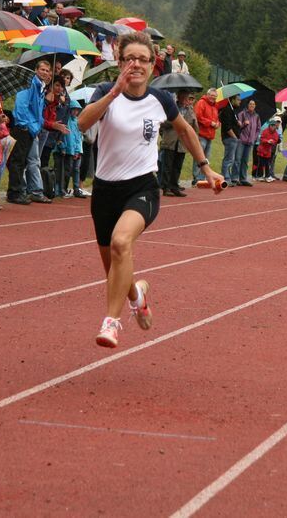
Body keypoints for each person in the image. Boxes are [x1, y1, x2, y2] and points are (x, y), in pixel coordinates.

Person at [78, 31, 221, 348]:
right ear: (120, 60)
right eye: (131, 59)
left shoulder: (161, 100)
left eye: (143, 59)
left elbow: (185, 131)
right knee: (114, 267)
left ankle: (111, 322)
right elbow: (83, 123)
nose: (137, 65)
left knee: (120, 242)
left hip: (142, 187)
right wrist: (114, 92)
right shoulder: (105, 92)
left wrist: (206, 168)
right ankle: (136, 296)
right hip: (104, 191)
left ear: (153, 65)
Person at [6, 60, 51, 205]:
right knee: (17, 161)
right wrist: (26, 125)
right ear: (36, 70)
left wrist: (36, 127)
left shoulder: (41, 87)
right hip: (23, 128)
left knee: (23, 161)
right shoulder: (30, 83)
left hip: (31, 129)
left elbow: (37, 110)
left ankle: (18, 191)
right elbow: (21, 105)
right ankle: (14, 193)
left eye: (47, 70)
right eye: (42, 69)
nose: (44, 72)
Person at [159, 91, 197, 197]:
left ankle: (174, 187)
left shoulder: (190, 110)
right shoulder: (171, 107)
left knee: (177, 166)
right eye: (184, 98)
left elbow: (193, 125)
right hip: (170, 141)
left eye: (188, 98)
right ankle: (165, 188)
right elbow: (163, 123)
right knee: (167, 166)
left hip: (182, 143)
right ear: (179, 98)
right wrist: (176, 121)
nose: (186, 101)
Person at [56, 99, 83, 197]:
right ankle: (62, 189)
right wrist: (63, 146)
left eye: (77, 110)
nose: (76, 112)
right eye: (74, 109)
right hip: (67, 149)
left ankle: (74, 189)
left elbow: (78, 136)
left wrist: (77, 150)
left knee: (75, 169)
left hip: (75, 150)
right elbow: (63, 135)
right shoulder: (66, 120)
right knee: (65, 170)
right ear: (70, 109)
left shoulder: (77, 121)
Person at [191, 88, 219, 185]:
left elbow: (217, 119)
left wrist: (217, 123)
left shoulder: (215, 107)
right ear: (207, 95)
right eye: (212, 96)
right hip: (201, 134)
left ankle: (202, 177)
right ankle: (196, 178)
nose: (213, 98)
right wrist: (210, 123)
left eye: (215, 96)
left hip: (210, 136)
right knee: (199, 157)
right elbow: (198, 117)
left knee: (206, 158)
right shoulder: (201, 103)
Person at [235, 98, 260, 186]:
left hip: (250, 142)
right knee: (238, 159)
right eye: (250, 104)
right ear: (247, 105)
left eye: (253, 104)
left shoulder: (256, 116)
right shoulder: (241, 114)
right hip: (241, 140)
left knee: (245, 161)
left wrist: (254, 138)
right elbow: (238, 127)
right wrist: (244, 124)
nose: (252, 106)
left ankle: (243, 178)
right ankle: (235, 178)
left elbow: (258, 129)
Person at [219, 94, 241, 185]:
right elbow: (227, 127)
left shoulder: (233, 111)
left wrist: (238, 123)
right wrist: (234, 137)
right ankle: (226, 178)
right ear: (232, 100)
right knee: (229, 159)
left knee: (231, 159)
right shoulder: (227, 110)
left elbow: (232, 124)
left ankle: (226, 177)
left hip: (233, 138)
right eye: (238, 99)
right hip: (229, 138)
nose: (240, 101)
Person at [257, 117, 280, 182]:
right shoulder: (265, 131)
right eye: (271, 125)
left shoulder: (276, 133)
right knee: (261, 163)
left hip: (268, 151)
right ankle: (259, 176)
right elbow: (261, 139)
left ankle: (267, 176)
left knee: (267, 164)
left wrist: (271, 142)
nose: (273, 127)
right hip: (262, 150)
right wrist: (267, 141)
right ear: (269, 125)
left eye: (274, 125)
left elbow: (276, 140)